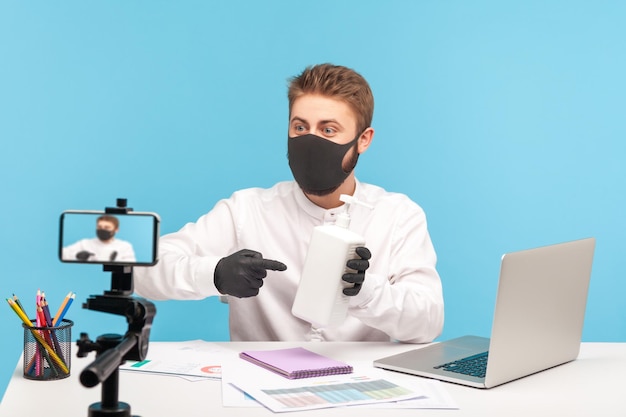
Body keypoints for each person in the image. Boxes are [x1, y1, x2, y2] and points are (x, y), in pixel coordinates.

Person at [134, 63, 444, 343]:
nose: (311, 140)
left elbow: (428, 322)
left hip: (357, 391)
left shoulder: (398, 215)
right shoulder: (246, 210)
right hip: (256, 384)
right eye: (300, 127)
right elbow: (145, 272)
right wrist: (214, 273)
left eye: (328, 130)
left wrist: (363, 290)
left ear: (364, 139)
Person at [63, 215, 136, 263]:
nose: (102, 230)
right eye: (99, 227)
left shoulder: (124, 246)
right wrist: (76, 255)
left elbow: (131, 265)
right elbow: (63, 253)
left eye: (107, 227)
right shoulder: (85, 243)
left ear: (116, 229)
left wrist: (115, 261)